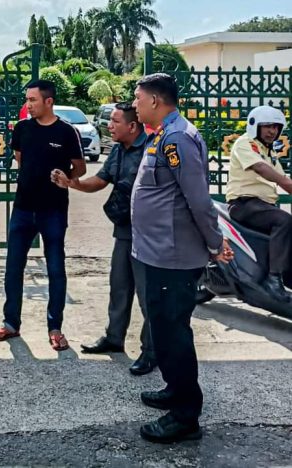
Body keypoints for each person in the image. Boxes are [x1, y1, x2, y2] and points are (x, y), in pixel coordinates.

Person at [131, 73, 233, 443]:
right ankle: (176, 390)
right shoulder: (163, 134)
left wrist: (213, 242)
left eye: (138, 98)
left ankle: (186, 415)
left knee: (173, 333)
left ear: (156, 101)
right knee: (163, 328)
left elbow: (198, 200)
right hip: (157, 252)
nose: (135, 104)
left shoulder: (177, 139)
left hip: (172, 256)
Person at [57, 102, 156, 375]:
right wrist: (73, 183)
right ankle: (114, 338)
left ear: (132, 126)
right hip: (125, 229)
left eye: (114, 121)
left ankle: (151, 351)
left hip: (149, 234)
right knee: (119, 285)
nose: (109, 125)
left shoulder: (151, 150)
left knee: (148, 295)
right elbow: (99, 181)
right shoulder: (118, 151)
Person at [0, 79, 86, 351]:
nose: (28, 105)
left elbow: (80, 167)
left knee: (55, 269)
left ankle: (55, 328)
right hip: (22, 209)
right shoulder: (22, 129)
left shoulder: (67, 132)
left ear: (48, 102)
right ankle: (10, 324)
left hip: (53, 211)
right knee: (13, 268)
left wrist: (67, 177)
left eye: (32, 100)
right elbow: (20, 159)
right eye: (27, 99)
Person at [226, 105, 292, 302]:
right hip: (243, 204)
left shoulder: (268, 151)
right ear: (255, 126)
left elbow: (283, 177)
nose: (272, 131)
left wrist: (286, 182)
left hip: (263, 206)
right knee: (284, 221)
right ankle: (273, 280)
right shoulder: (245, 143)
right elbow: (260, 168)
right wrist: (285, 182)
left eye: (275, 127)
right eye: (267, 126)